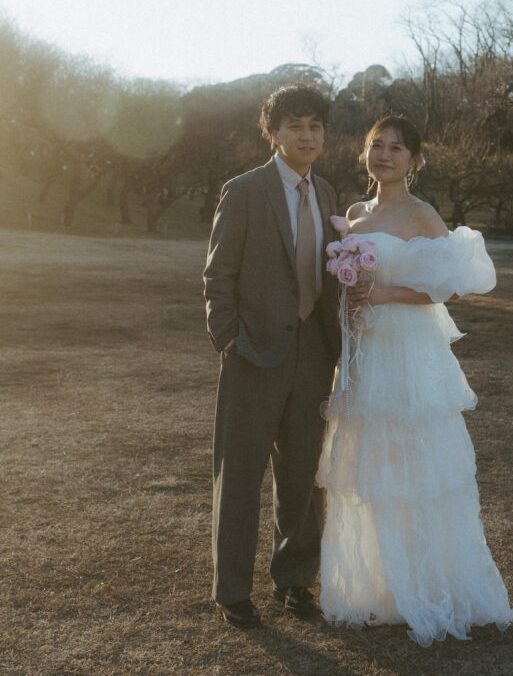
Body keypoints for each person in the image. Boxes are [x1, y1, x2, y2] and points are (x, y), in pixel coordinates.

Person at [316, 115, 513, 647]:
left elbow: (444, 286)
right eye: (376, 146)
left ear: (415, 160)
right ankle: (380, 588)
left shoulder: (423, 214)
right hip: (363, 353)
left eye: (397, 149)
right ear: (365, 154)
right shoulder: (354, 215)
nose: (384, 155)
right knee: (372, 465)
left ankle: (428, 585)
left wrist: (384, 295)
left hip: (407, 351)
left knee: (415, 466)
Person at [204, 85, 340, 627]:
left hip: (314, 352)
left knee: (306, 473)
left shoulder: (329, 194)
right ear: (273, 133)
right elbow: (218, 275)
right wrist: (229, 339)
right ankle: (233, 590)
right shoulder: (243, 191)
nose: (306, 136)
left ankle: (294, 580)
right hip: (252, 352)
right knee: (239, 474)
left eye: (315, 127)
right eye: (295, 126)